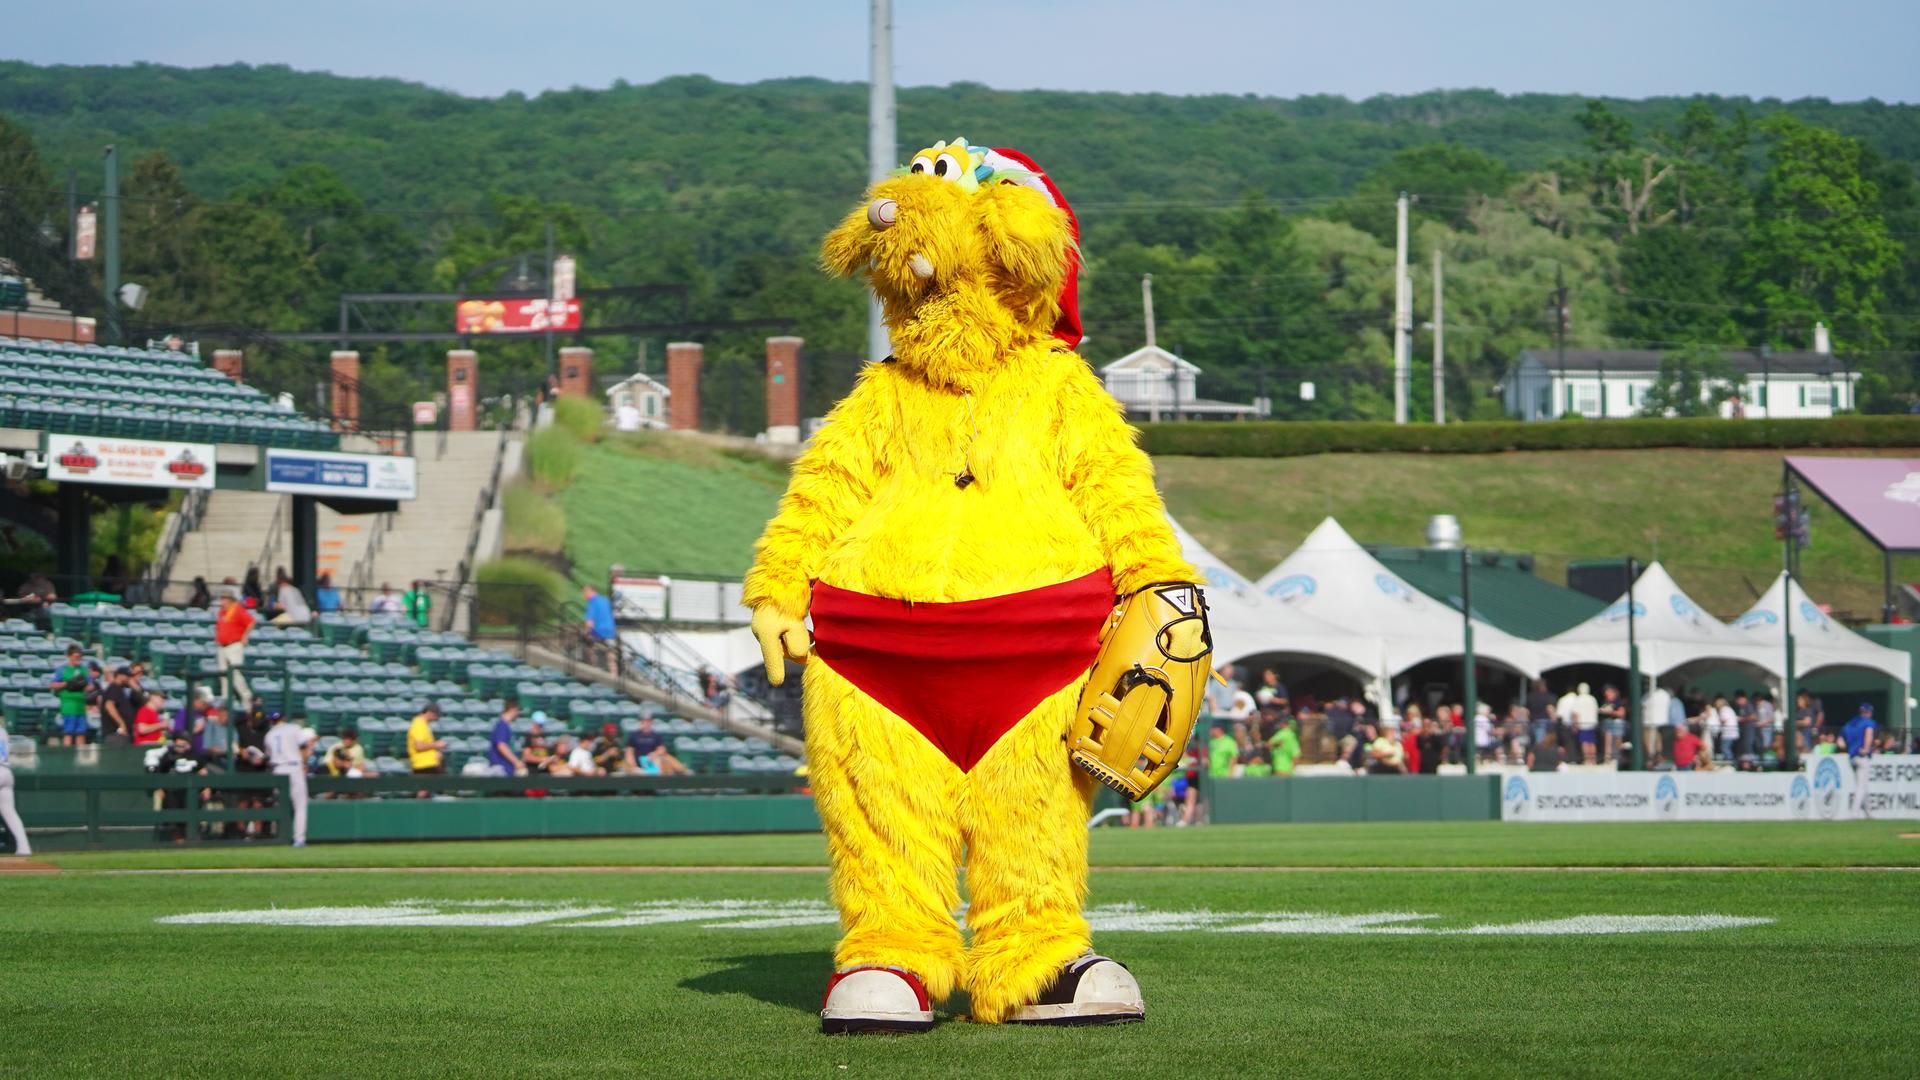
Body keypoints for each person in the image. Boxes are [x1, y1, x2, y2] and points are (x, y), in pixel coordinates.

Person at [264, 710, 312, 847]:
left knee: (279, 805)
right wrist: (305, 763)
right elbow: (304, 746)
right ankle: (299, 839)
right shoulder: (294, 728)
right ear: (283, 718)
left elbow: (268, 755)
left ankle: (277, 835)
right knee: (300, 806)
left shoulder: (269, 735)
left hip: (278, 769)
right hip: (294, 767)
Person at [215, 589, 256, 711]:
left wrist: (245, 636)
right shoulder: (222, 612)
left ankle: (246, 696)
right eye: (222, 598)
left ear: (230, 600)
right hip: (222, 647)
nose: (222, 601)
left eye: (225, 598)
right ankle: (226, 700)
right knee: (223, 675)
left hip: (234, 645)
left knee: (235, 673)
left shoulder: (237, 609)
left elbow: (251, 622)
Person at [49, 643, 90, 747]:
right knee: (69, 732)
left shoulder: (84, 670)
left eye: (80, 657)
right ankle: (67, 755)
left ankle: (81, 758)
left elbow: (90, 686)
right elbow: (52, 685)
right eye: (76, 656)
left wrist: (83, 685)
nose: (78, 659)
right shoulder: (62, 670)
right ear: (69, 656)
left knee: (81, 733)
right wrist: (67, 684)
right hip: (68, 705)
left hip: (81, 705)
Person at [1842, 704, 1878, 819]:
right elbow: (1869, 733)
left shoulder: (1850, 723)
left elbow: (1840, 741)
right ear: (1869, 712)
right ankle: (1854, 813)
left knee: (1863, 785)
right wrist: (1866, 748)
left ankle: (1869, 813)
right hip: (1862, 756)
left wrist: (1849, 747)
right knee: (1861, 787)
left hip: (1852, 757)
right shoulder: (1868, 722)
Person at [0, 716, 29, 855]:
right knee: (10, 813)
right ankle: (24, 848)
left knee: (9, 813)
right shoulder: (3, 731)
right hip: (6, 772)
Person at [624, 715, 691, 776]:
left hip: (652, 761)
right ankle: (682, 769)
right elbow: (629, 751)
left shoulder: (655, 735)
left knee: (665, 758)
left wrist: (654, 754)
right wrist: (631, 763)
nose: (646, 724)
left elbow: (662, 749)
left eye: (648, 722)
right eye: (644, 721)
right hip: (639, 761)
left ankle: (682, 770)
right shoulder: (634, 735)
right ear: (641, 723)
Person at [407, 702, 448, 795]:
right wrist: (437, 745)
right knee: (423, 792)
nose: (437, 718)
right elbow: (419, 746)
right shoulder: (418, 725)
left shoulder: (424, 725)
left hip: (429, 764)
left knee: (429, 791)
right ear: (429, 712)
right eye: (436, 715)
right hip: (423, 765)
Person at [582, 585, 617, 675]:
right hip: (610, 632)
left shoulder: (592, 603)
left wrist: (585, 633)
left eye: (585, 592)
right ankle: (614, 677)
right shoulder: (605, 601)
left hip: (598, 633)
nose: (583, 595)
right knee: (611, 658)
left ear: (591, 591)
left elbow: (590, 622)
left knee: (594, 655)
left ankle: (596, 676)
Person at [487, 700, 527, 776]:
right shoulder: (502, 725)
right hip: (501, 769)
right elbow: (501, 746)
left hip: (507, 769)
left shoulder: (505, 725)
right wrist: (516, 762)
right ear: (512, 709)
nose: (518, 714)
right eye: (517, 710)